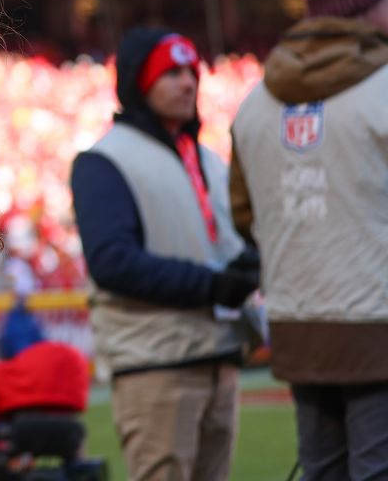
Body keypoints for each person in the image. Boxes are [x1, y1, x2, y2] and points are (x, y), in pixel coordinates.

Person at [229, 0, 388, 480]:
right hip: (377, 320)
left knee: (322, 469)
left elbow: (245, 219)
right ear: (365, 4)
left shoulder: (253, 105)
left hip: (299, 321)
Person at [71, 27, 258, 481]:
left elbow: (234, 245)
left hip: (219, 357)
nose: (187, 83)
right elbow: (113, 263)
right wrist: (215, 284)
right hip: (155, 364)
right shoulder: (103, 161)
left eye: (190, 71)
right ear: (140, 81)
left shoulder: (211, 159)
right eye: (170, 73)